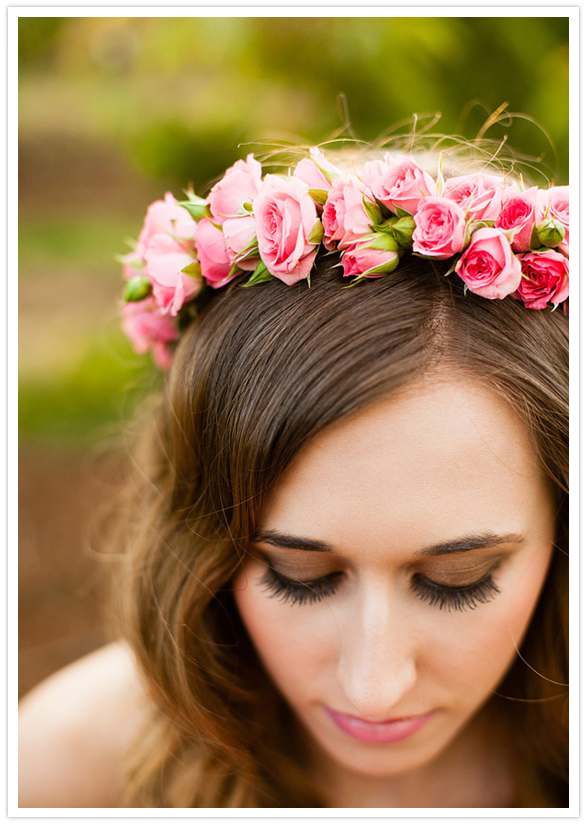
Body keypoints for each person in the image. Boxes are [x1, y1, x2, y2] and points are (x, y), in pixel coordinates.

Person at [18, 138, 569, 809]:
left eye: (456, 580)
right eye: (298, 577)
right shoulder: (69, 773)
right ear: (201, 543)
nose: (373, 686)